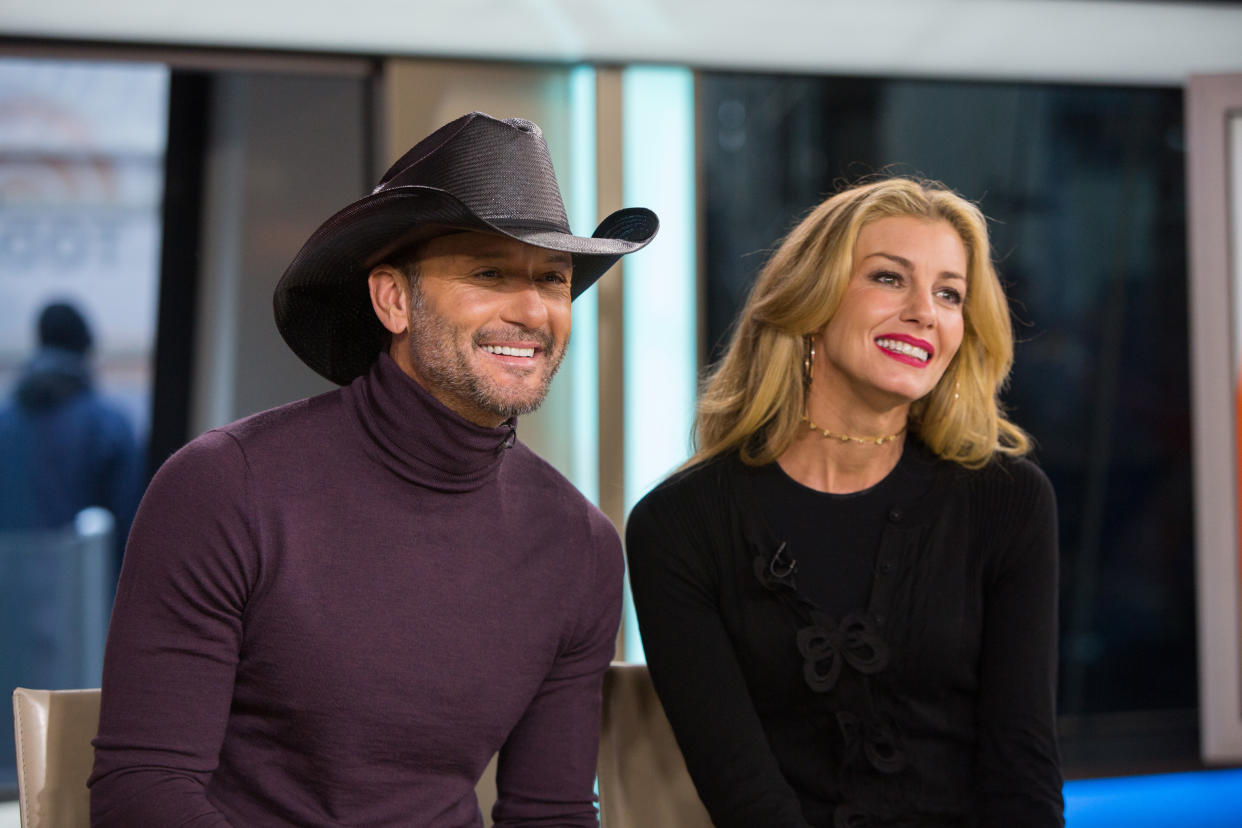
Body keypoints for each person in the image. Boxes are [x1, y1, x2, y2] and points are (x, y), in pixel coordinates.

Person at [89, 112, 658, 827]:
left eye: (552, 278)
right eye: (489, 272)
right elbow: (142, 792)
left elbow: (551, 814)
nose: (532, 310)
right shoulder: (225, 487)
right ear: (393, 299)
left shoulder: (580, 545)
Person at [626, 178, 1062, 827]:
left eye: (949, 293)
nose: (925, 311)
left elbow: (1021, 767)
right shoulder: (679, 524)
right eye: (890, 279)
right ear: (812, 301)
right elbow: (743, 791)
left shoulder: (1008, 501)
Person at [0, 300, 143, 571]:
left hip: (9, 596)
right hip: (83, 598)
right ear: (86, 347)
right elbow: (132, 527)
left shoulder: (5, 422)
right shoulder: (108, 425)